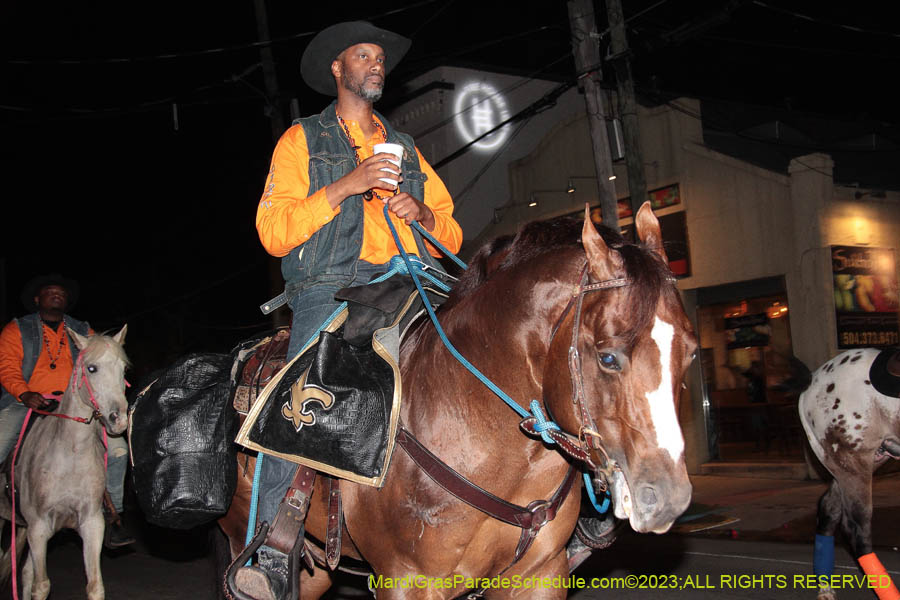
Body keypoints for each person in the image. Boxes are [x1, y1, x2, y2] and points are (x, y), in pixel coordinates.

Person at [238, 20, 462, 600]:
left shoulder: (404, 145)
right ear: (338, 69)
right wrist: (347, 184)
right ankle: (272, 545)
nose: (376, 64)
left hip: (412, 280)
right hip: (333, 286)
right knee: (300, 396)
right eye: (364, 55)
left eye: (380, 57)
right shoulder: (303, 140)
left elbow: (452, 231)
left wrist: (424, 215)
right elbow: (273, 230)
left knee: (480, 346)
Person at [0, 273, 135, 548]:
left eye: (61, 292)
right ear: (37, 299)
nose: (57, 294)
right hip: (26, 401)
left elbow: (106, 362)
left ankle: (112, 516)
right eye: (50, 291)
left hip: (76, 406)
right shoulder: (16, 330)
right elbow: (7, 368)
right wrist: (24, 393)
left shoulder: (83, 331)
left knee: (119, 451)